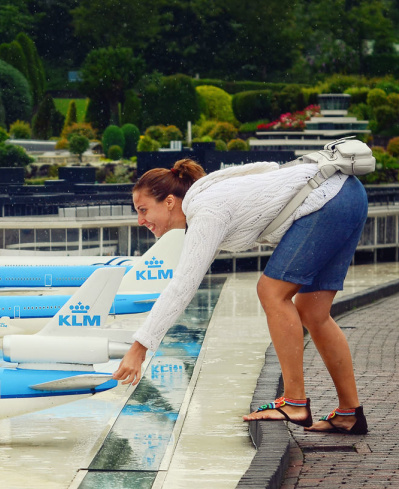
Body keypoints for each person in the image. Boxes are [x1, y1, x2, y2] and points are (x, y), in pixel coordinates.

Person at [111, 158, 368, 435]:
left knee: (271, 291)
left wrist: (139, 348)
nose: (140, 220)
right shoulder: (207, 194)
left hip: (328, 199)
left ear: (170, 201)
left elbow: (181, 287)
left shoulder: (205, 211)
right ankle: (349, 413)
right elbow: (266, 169)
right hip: (349, 194)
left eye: (143, 209)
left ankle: (294, 403)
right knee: (314, 313)